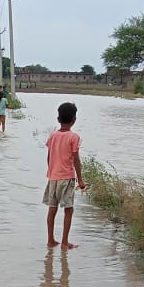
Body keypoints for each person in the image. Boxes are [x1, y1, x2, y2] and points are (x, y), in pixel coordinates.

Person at [43, 101, 86, 249]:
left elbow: (49, 157)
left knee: (52, 209)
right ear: (74, 120)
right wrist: (80, 180)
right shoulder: (74, 137)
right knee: (69, 209)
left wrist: (52, 170)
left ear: (58, 119)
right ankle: (65, 242)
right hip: (67, 178)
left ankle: (50, 240)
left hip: (53, 177)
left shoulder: (53, 135)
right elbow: (76, 159)